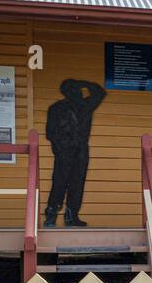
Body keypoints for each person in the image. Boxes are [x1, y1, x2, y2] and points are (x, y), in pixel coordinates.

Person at [44, 79, 107, 227]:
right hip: (64, 151)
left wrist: (82, 82)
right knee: (59, 182)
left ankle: (72, 216)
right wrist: (60, 147)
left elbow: (100, 92)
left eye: (78, 89)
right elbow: (50, 133)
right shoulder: (56, 108)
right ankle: (52, 214)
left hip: (80, 152)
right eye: (75, 89)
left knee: (77, 184)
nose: (78, 91)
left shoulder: (85, 106)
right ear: (68, 92)